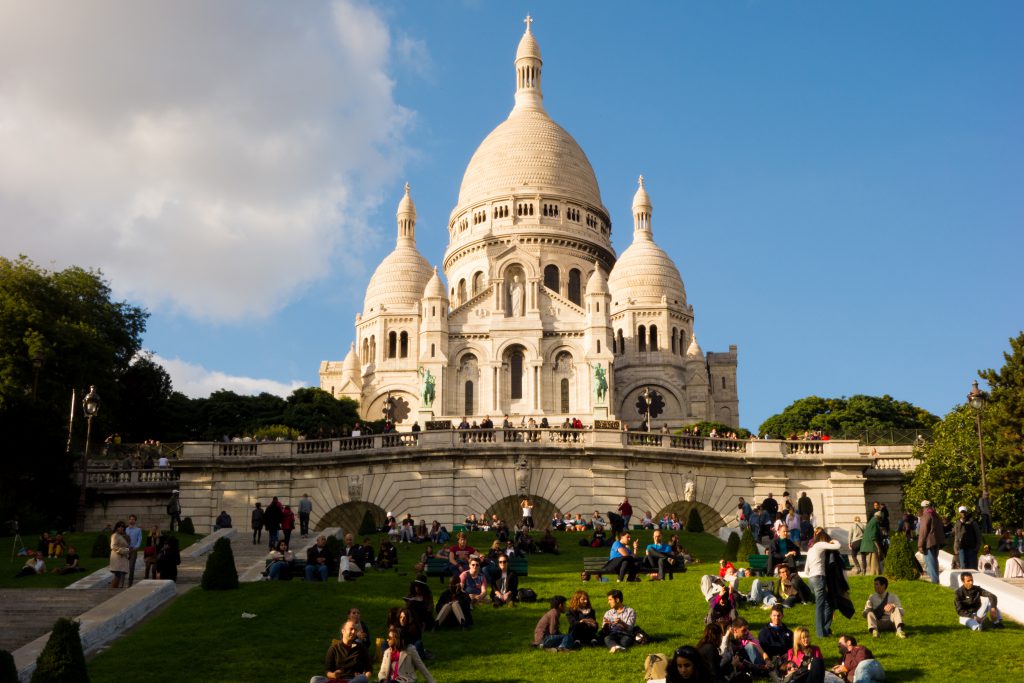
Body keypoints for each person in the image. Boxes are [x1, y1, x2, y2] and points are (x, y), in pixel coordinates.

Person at [310, 619, 371, 683]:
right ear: (343, 631)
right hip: (337, 680)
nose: (353, 632)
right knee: (315, 679)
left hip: (352, 680)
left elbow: (369, 669)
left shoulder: (361, 648)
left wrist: (365, 677)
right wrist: (333, 675)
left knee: (362, 678)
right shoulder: (334, 648)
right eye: (351, 629)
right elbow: (328, 671)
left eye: (355, 630)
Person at [806, 528, 841, 638]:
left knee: (827, 604)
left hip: (811, 579)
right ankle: (820, 633)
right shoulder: (820, 545)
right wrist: (833, 541)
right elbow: (838, 546)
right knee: (820, 606)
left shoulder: (811, 549)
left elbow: (806, 569)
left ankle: (825, 630)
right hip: (819, 578)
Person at [917, 500, 945, 584]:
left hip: (928, 543)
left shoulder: (926, 515)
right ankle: (935, 580)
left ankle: (934, 582)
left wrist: (920, 545)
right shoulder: (935, 514)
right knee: (934, 561)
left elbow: (923, 531)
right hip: (936, 542)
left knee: (930, 563)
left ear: (923, 507)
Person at [953, 505, 982, 570]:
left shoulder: (973, 522)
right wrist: (955, 548)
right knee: (963, 566)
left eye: (964, 512)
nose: (963, 513)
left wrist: (977, 547)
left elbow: (978, 535)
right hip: (961, 548)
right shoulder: (957, 523)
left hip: (971, 548)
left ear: (966, 512)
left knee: (972, 566)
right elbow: (956, 536)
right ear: (959, 513)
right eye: (961, 512)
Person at [109, 520, 130, 589]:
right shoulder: (115, 535)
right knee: (118, 574)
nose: (122, 528)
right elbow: (113, 546)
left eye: (123, 527)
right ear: (116, 527)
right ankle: (113, 589)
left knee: (119, 574)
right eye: (120, 527)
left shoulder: (120, 536)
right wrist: (124, 551)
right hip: (117, 558)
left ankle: (114, 588)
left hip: (121, 558)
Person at [125, 513, 143, 587]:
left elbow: (139, 539)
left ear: (135, 521)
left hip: (133, 550)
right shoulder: (125, 529)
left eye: (133, 519)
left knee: (131, 566)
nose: (131, 520)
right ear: (128, 520)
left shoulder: (138, 530)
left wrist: (136, 547)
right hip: (125, 550)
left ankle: (130, 582)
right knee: (124, 566)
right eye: (130, 519)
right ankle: (122, 580)